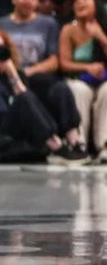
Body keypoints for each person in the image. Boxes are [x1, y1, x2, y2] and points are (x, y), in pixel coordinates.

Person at [58, 0, 107, 163]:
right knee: (78, 91)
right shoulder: (68, 30)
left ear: (96, 3)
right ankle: (78, 145)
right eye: (76, 0)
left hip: (106, 80)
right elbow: (64, 63)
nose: (79, 2)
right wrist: (87, 67)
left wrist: (101, 37)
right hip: (80, 79)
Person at [0, 28, 88, 164]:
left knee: (60, 88)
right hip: (4, 135)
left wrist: (12, 74)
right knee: (25, 98)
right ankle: (56, 148)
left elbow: (26, 100)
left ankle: (73, 141)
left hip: (24, 131)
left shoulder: (14, 75)